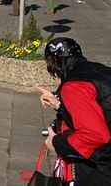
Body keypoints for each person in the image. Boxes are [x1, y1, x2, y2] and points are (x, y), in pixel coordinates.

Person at [36, 38, 111, 185]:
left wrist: (56, 143)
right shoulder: (100, 70)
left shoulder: (73, 87)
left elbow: (95, 135)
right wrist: (59, 105)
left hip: (103, 167)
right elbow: (101, 109)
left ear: (54, 64)